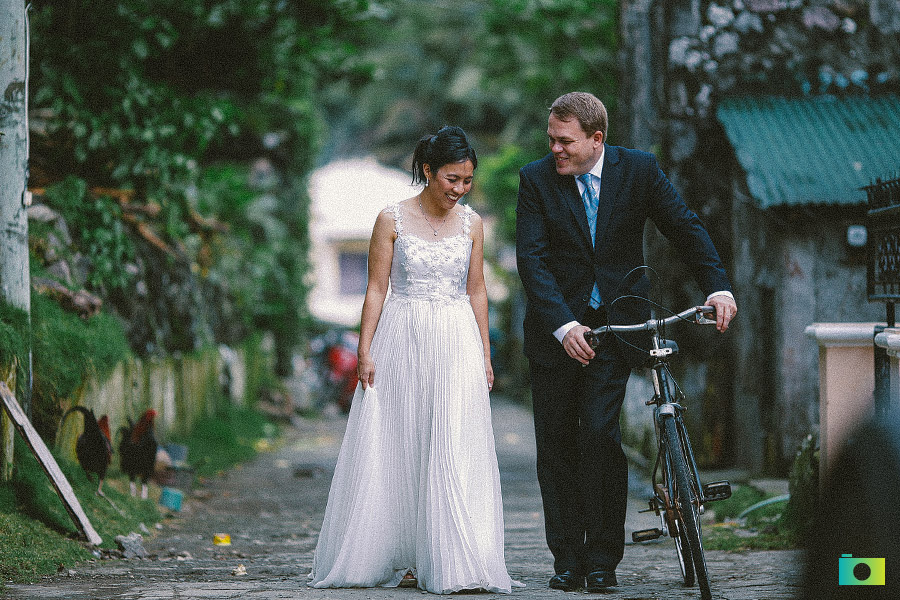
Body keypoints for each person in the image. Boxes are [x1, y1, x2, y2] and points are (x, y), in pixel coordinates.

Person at [515, 91, 737, 592]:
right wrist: (564, 325)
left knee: (598, 435)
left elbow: (683, 226)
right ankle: (567, 560)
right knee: (557, 448)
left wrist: (717, 285)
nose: (555, 149)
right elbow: (532, 260)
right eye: (551, 139)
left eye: (565, 141)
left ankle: (602, 562)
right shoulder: (534, 180)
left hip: (617, 329)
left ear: (597, 139)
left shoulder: (638, 170)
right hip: (556, 335)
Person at [308, 125, 520, 594]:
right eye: (451, 179)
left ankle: (455, 558)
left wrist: (485, 353)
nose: (459, 190)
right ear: (428, 170)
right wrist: (364, 349)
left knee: (453, 441)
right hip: (401, 335)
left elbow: (477, 288)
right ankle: (403, 553)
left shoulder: (473, 223)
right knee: (402, 441)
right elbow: (376, 288)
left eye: (466, 181)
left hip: (456, 337)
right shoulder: (391, 219)